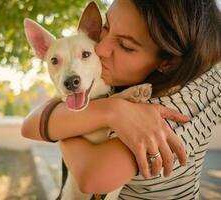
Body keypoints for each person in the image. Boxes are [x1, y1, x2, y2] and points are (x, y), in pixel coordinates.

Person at [21, 0, 221, 199]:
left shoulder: (173, 110)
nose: (100, 49)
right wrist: (112, 110)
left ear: (167, 61)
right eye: (106, 28)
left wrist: (64, 128)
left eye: (125, 45)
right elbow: (30, 124)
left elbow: (92, 178)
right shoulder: (122, 79)